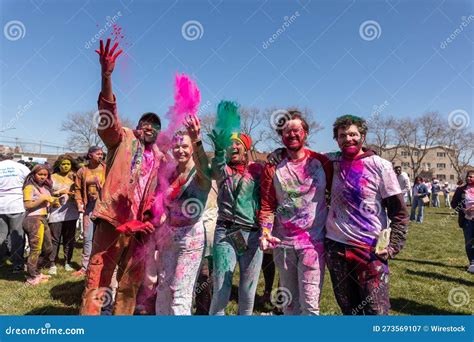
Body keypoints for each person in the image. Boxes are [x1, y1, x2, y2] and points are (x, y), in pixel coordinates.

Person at [80, 39, 162, 315]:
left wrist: (150, 219)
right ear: (137, 126)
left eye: (155, 125)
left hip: (139, 229)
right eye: (145, 123)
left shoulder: (161, 157)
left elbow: (164, 192)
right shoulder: (122, 138)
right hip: (112, 221)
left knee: (129, 286)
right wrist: (106, 76)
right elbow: (107, 114)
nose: (149, 127)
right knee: (98, 281)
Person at [324, 115, 409, 315]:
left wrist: (392, 246)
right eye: (342, 135)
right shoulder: (332, 161)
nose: (348, 139)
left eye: (353, 134)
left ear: (363, 136)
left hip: (370, 250)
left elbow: (399, 212)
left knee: (376, 311)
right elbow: (302, 157)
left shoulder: (381, 166)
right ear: (336, 139)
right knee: (349, 309)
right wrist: (279, 152)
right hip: (336, 247)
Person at [259, 111, 332, 315]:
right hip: (284, 244)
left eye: (296, 130)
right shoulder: (273, 167)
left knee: (310, 305)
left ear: (305, 132)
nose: (291, 135)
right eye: (285, 132)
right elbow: (267, 205)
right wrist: (265, 232)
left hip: (313, 243)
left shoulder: (322, 163)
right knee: (289, 306)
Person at [154, 117, 211, 315]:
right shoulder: (169, 173)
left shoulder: (200, 174)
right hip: (168, 237)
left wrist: (197, 140)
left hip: (191, 239)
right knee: (163, 288)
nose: (180, 150)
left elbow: (205, 166)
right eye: (176, 147)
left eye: (185, 146)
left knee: (180, 292)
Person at [208, 130, 263, 315]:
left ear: (246, 148)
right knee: (222, 292)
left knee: (248, 293)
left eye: (238, 143)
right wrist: (218, 150)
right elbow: (217, 165)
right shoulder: (223, 169)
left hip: (253, 236)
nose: (234, 146)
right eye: (230, 143)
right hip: (227, 234)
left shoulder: (258, 170)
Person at [72, 146, 105, 277]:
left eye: (102, 154)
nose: (101, 156)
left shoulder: (106, 168)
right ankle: (85, 267)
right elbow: (77, 189)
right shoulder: (82, 170)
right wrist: (79, 203)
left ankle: (100, 265)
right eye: (98, 154)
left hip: (104, 206)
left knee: (102, 238)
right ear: (90, 155)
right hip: (89, 206)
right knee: (87, 237)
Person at [22, 164, 55, 285]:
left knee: (48, 248)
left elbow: (46, 201)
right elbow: (28, 205)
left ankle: (37, 271)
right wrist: (44, 198)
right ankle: (31, 277)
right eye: (40, 174)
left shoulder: (44, 188)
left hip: (43, 218)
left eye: (45, 175)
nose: (42, 177)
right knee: (35, 249)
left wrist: (54, 202)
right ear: (33, 174)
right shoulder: (29, 187)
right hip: (33, 220)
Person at [48, 154, 80, 275]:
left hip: (71, 212)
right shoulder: (51, 177)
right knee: (54, 239)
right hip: (55, 212)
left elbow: (80, 191)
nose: (65, 166)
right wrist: (59, 193)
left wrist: (74, 195)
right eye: (63, 164)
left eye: (68, 164)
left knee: (69, 239)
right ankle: (52, 263)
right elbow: (47, 192)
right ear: (58, 165)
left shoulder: (75, 177)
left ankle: (68, 262)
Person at [0, 154, 30, 273]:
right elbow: (30, 183)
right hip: (16, 205)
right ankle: (17, 264)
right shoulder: (21, 167)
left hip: (1, 205)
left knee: (1, 235)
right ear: (12, 156)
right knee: (16, 235)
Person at [195, 181, 218, 315]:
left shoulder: (218, 175)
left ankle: (206, 310)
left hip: (213, 230)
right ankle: (204, 309)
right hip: (202, 231)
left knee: (207, 274)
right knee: (204, 274)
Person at [451, 170, 474, 274]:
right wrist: (463, 210)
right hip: (467, 219)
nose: (469, 178)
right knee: (469, 242)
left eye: (472, 177)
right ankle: (472, 263)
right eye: (468, 177)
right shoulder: (461, 189)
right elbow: (454, 203)